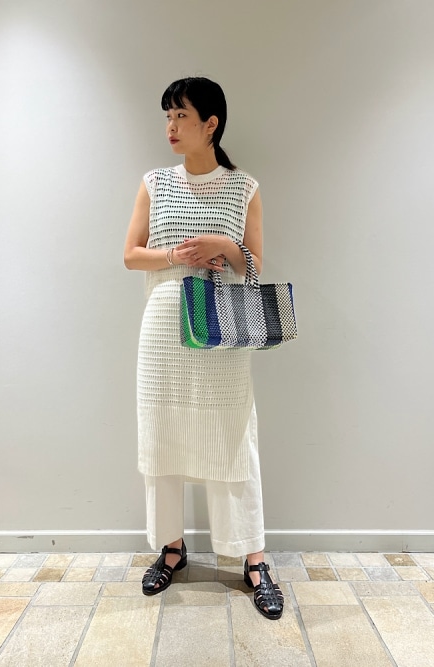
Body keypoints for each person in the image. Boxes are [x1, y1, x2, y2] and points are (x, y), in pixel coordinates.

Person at [123, 77, 283, 620]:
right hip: (164, 325)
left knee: (232, 433)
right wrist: (176, 256)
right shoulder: (154, 183)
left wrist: (225, 246)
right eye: (167, 116)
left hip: (221, 327)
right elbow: (130, 254)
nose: (170, 127)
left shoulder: (245, 187)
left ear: (210, 124)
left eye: (181, 116)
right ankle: (171, 548)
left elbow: (254, 265)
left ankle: (253, 558)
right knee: (162, 431)